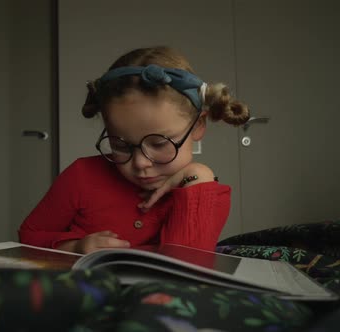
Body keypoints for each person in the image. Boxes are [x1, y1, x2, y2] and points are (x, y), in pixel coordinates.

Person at [19, 46, 250, 254]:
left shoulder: (200, 189)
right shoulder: (81, 176)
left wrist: (199, 174)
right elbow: (29, 235)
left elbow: (189, 264)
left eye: (160, 143)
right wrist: (74, 247)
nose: (140, 163)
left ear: (198, 125)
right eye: (120, 145)